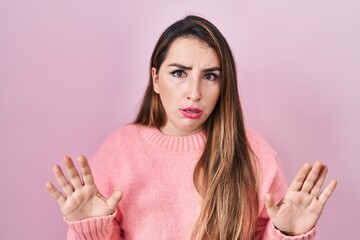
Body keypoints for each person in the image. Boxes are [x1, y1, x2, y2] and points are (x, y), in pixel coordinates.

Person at [46, 15, 337, 240]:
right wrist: (92, 229)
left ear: (224, 85)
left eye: (210, 76)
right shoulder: (119, 151)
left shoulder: (253, 152)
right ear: (156, 80)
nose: (194, 92)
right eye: (179, 73)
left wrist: (286, 234)